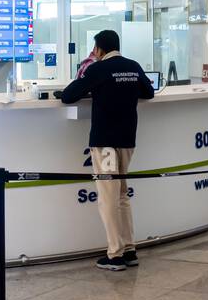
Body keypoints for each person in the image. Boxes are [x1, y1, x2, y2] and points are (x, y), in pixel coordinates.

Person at [58, 30, 155, 271]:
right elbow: (148, 92)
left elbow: (69, 96)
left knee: (108, 198)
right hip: (127, 140)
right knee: (121, 195)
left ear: (99, 50)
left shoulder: (98, 69)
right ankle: (130, 249)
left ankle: (115, 254)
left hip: (106, 144)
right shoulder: (133, 66)